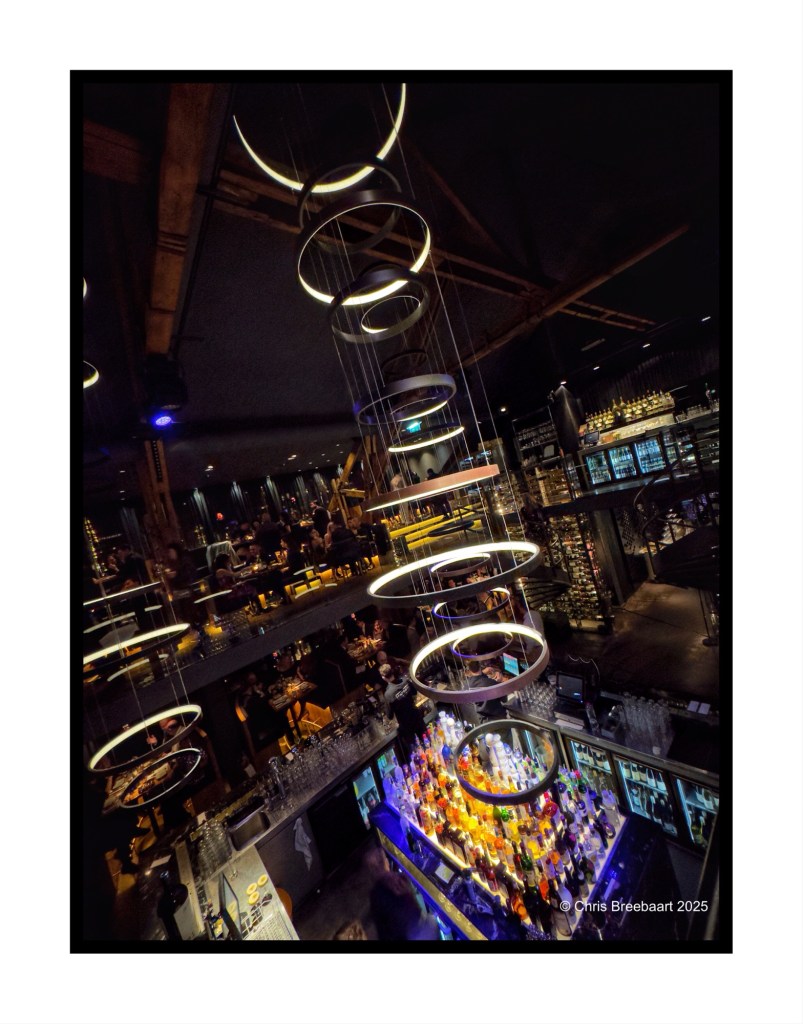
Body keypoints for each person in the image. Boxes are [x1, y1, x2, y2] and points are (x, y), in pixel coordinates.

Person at [380, 663, 425, 760]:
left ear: (383, 678)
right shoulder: (405, 681)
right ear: (392, 672)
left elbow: (390, 715)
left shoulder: (388, 694)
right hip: (416, 716)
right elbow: (414, 692)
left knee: (414, 754)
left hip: (406, 725)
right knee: (426, 741)